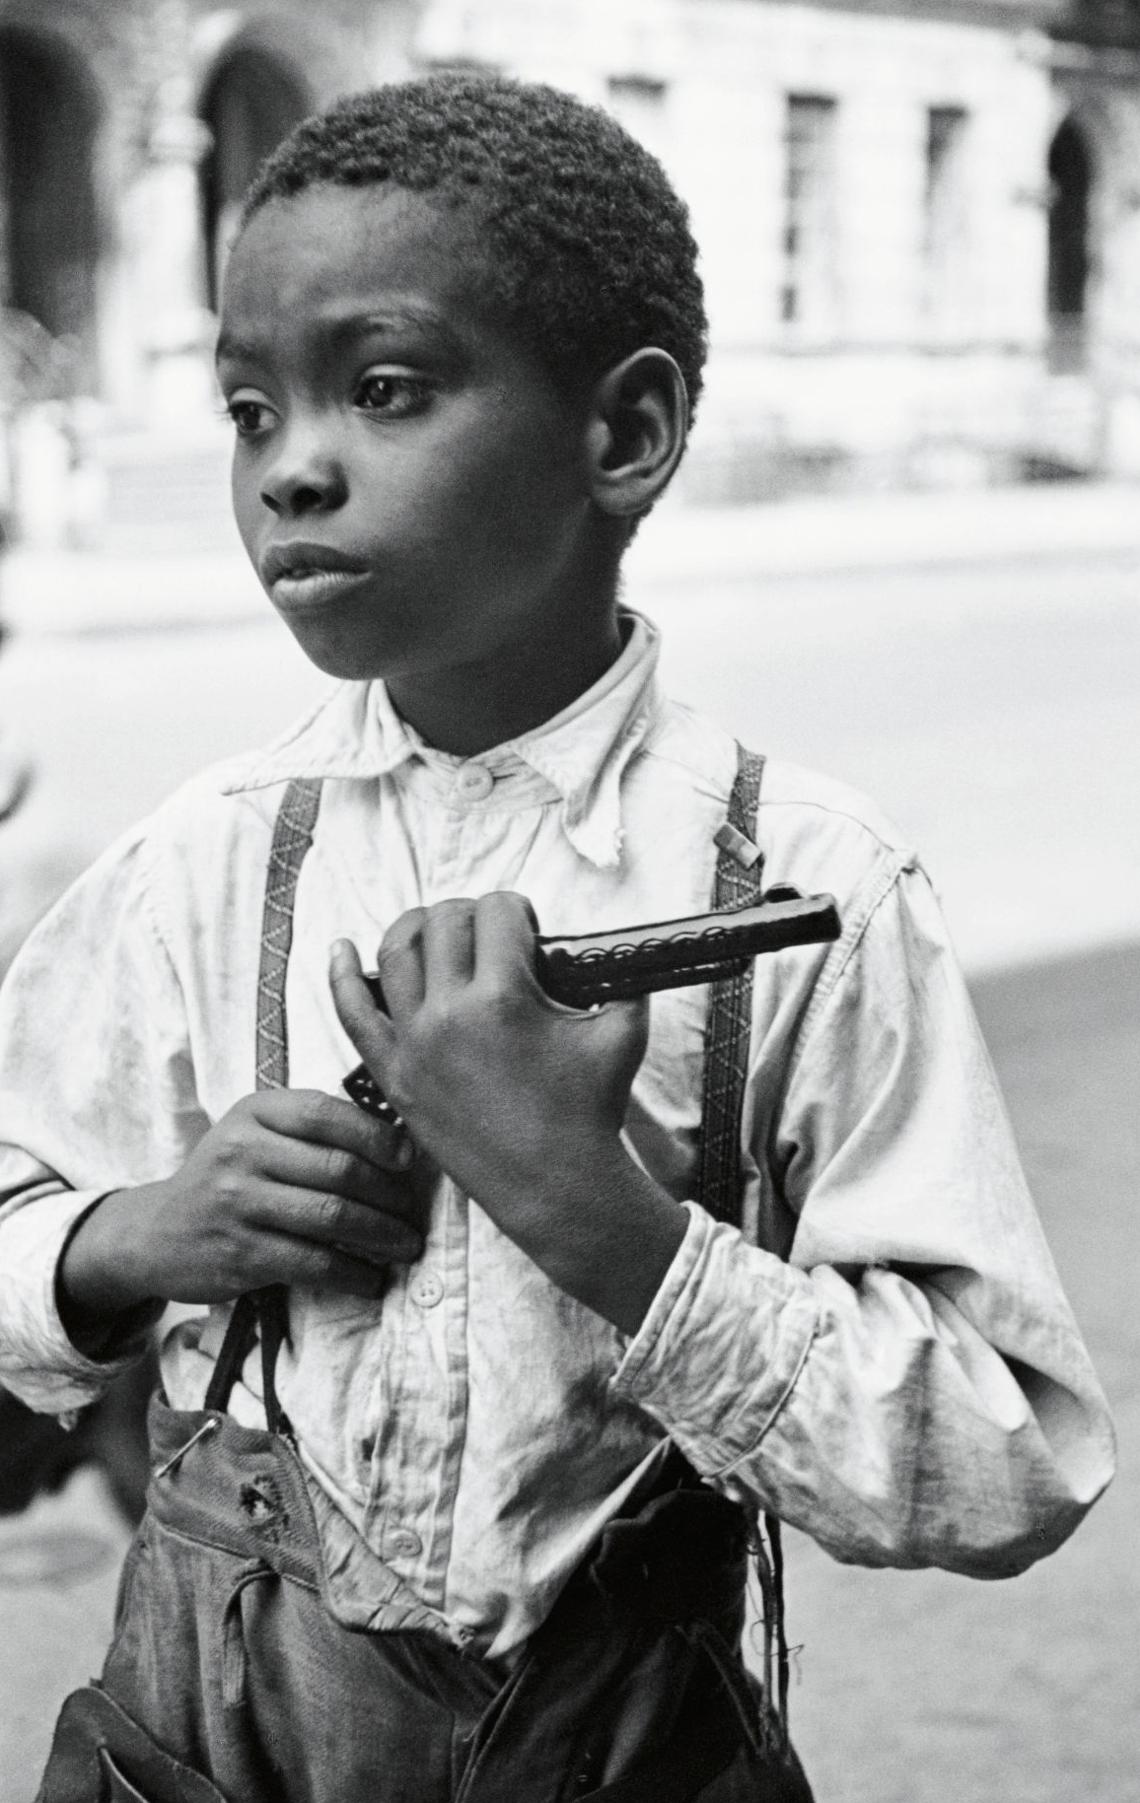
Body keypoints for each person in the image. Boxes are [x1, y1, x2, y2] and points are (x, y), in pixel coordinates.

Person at [0, 75, 1114, 1803]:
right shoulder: (203, 866)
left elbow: (1005, 1461)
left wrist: (604, 1219)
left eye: (382, 392)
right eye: (245, 407)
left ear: (625, 436)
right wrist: (137, 1236)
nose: (290, 466)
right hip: (203, 1749)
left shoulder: (809, 884)